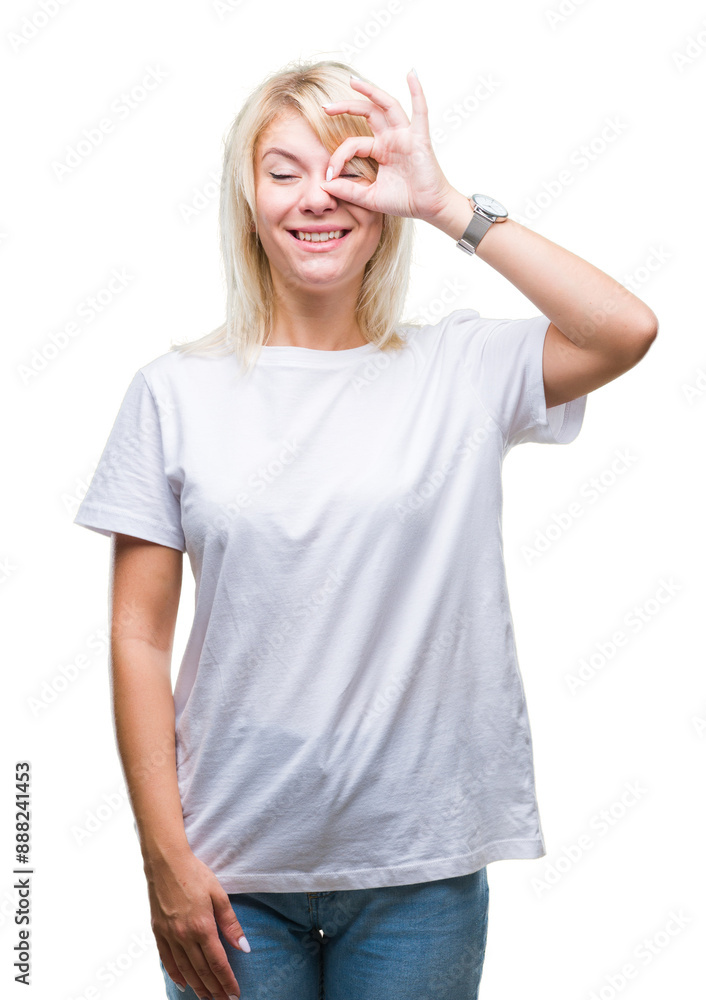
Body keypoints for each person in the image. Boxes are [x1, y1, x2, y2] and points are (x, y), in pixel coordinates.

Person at [73, 58, 658, 1000]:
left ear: (384, 202)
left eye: (348, 170)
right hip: (229, 874)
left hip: (420, 874)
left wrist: (446, 204)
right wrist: (162, 857)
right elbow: (136, 638)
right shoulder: (172, 393)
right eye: (284, 171)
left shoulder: (461, 368)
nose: (318, 197)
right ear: (247, 201)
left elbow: (623, 329)